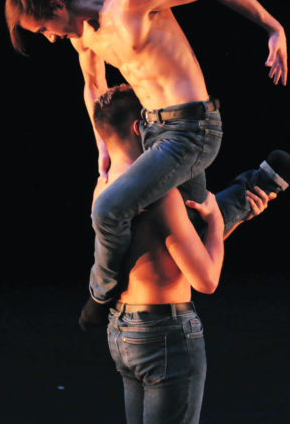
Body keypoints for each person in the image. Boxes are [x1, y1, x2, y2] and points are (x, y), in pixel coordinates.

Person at [5, 0, 290, 314]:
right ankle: (271, 177)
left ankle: (100, 295)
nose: (50, 38)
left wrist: (274, 27)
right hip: (151, 130)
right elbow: (93, 87)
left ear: (58, 6)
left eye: (44, 29)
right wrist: (102, 145)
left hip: (191, 130)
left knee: (107, 210)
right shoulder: (82, 35)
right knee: (188, 231)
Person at [90, 84, 275, 424]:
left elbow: (165, 257)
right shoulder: (162, 195)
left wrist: (230, 222)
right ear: (140, 127)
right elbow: (206, 280)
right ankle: (268, 179)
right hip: (165, 334)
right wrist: (216, 223)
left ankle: (267, 181)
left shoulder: (104, 190)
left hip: (123, 332)